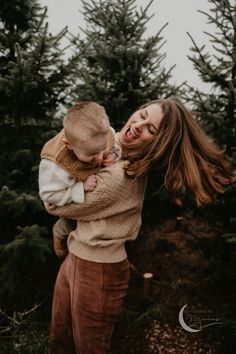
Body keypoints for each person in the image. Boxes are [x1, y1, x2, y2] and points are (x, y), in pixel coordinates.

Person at [43, 97, 234, 354]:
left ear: (159, 143)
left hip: (97, 269)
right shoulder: (112, 145)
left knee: (89, 348)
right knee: (60, 342)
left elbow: (56, 205)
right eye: (143, 114)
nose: (137, 125)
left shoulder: (122, 176)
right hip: (77, 256)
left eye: (151, 130)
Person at [39, 101, 122, 258]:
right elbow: (48, 195)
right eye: (91, 154)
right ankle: (59, 233)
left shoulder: (103, 133)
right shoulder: (54, 164)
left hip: (90, 177)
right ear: (68, 145)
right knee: (70, 221)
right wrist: (79, 187)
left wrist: (112, 154)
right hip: (68, 190)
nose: (98, 157)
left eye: (101, 149)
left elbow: (114, 145)